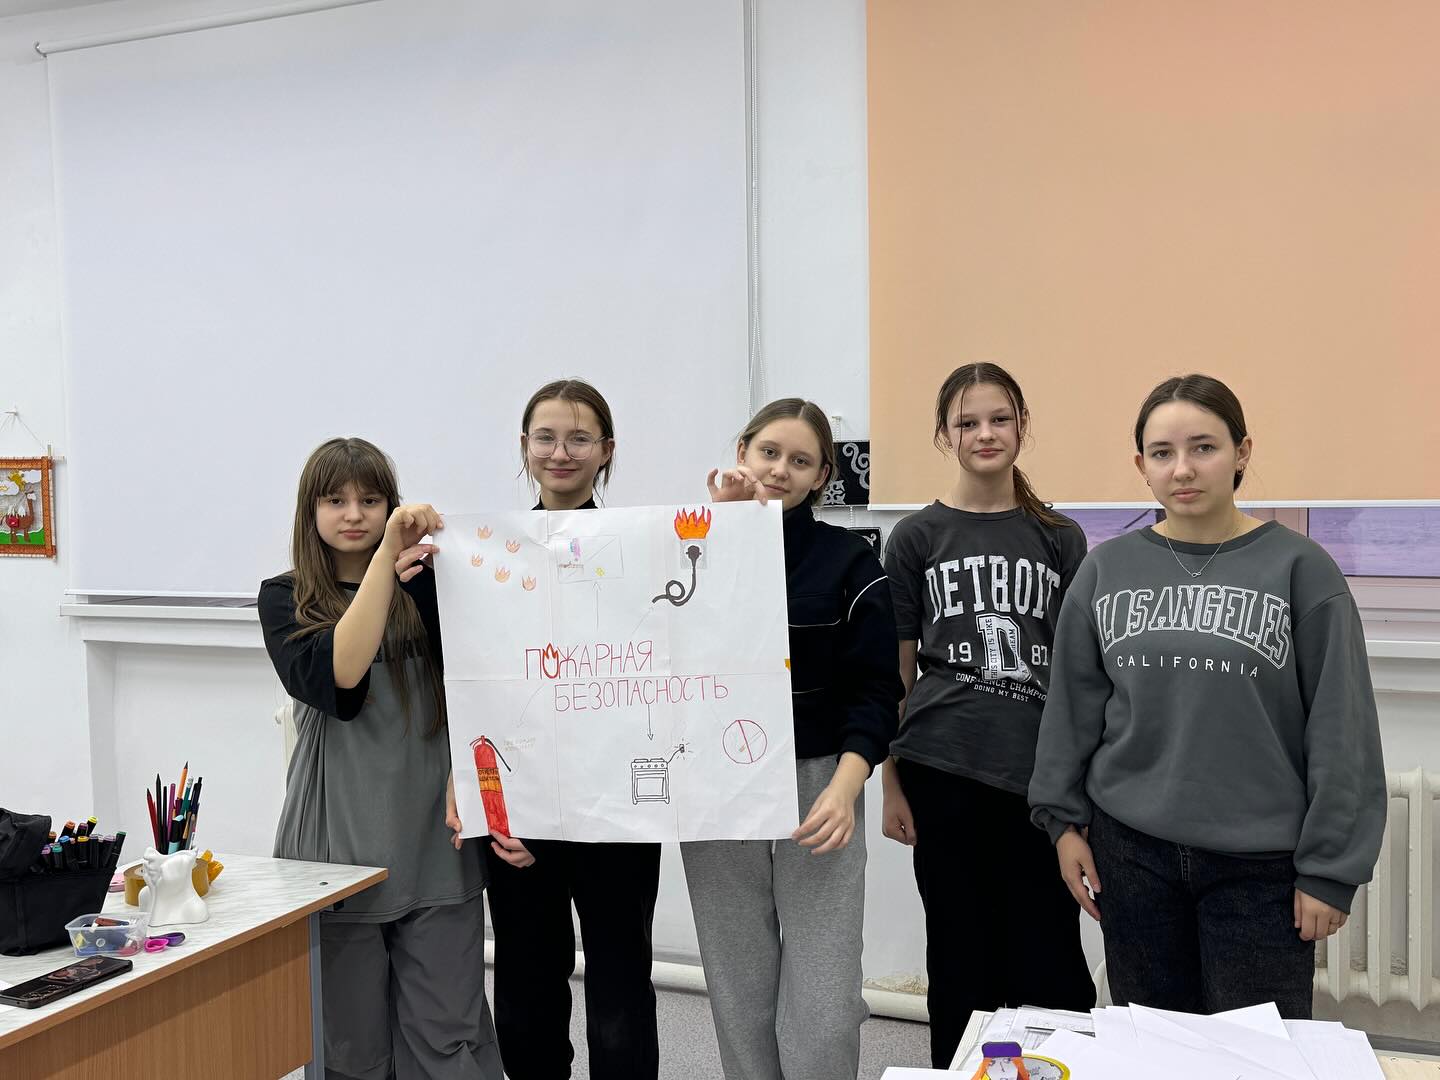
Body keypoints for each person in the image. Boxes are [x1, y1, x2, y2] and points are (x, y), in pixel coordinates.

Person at [1029, 373, 1387, 1016]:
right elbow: (1071, 711)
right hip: (1130, 852)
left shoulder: (1302, 569)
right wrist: (1063, 825)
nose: (1183, 469)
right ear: (1141, 466)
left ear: (1242, 451)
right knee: (1153, 1041)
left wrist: (1330, 869)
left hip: (1261, 868)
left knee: (1253, 1052)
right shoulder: (1106, 570)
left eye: (1204, 447)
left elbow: (1343, 728)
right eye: (1162, 453)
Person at [401, 379, 660, 1080]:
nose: (561, 452)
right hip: (518, 804)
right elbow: (463, 674)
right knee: (525, 980)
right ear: (524, 447)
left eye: (580, 438)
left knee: (621, 979)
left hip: (618, 808)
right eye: (545, 437)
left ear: (607, 451)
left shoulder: (645, 551)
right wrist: (413, 574)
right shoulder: (481, 559)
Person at [259, 436, 501, 1080]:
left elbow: (483, 688)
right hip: (337, 842)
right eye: (334, 500)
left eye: (370, 500)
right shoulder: (284, 598)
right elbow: (341, 677)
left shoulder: (432, 586)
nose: (354, 515)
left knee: (447, 1032)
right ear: (309, 511)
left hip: (434, 832)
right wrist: (385, 564)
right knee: (350, 1044)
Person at [680, 398, 904, 1080]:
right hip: (717, 783)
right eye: (769, 452)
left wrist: (846, 785)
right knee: (738, 983)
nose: (780, 470)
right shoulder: (690, 548)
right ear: (742, 452)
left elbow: (878, 691)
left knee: (824, 995)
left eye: (800, 460)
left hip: (819, 783)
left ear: (822, 474)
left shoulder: (850, 562)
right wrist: (721, 527)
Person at [881, 362, 1095, 1068]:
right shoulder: (915, 537)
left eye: (999, 419)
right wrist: (890, 781)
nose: (985, 434)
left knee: (1049, 960)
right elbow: (898, 674)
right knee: (961, 958)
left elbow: (1077, 676)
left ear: (1022, 426)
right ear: (944, 434)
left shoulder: (1060, 537)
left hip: (1034, 776)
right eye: (967, 422)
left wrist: (1074, 791)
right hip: (941, 767)